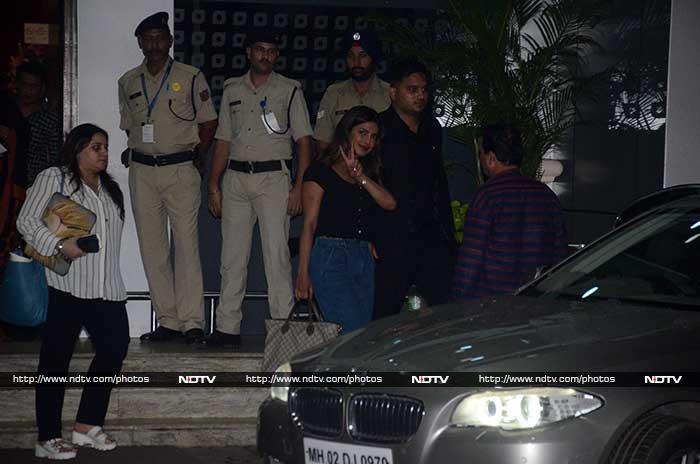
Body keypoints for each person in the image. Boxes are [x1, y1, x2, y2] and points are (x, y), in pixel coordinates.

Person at [17, 123, 130, 460]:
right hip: (65, 287)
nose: (104, 153)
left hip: (107, 290)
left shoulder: (109, 189)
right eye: (96, 146)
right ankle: (47, 437)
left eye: (106, 147)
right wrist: (58, 245)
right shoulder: (56, 177)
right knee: (55, 360)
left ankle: (86, 426)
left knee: (114, 349)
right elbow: (26, 221)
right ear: (78, 148)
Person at [204, 31, 313, 347]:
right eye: (260, 50)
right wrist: (213, 183)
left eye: (271, 51)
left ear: (276, 56)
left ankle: (281, 330)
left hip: (273, 179)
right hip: (236, 178)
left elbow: (304, 142)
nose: (266, 55)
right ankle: (227, 328)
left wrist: (299, 186)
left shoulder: (289, 90)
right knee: (231, 258)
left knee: (276, 257)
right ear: (249, 52)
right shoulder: (231, 89)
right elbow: (223, 140)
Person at [118, 12, 218, 344]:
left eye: (160, 37)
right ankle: (168, 321)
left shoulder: (191, 77)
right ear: (139, 43)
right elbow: (131, 128)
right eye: (147, 39)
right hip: (142, 171)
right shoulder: (128, 81)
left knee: (187, 247)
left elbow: (208, 123)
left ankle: (192, 322)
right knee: (152, 248)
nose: (154, 45)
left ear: (170, 41)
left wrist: (198, 156)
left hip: (180, 169)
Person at [295, 106, 396, 333]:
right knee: (353, 331)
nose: (367, 140)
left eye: (373, 136)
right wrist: (302, 273)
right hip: (331, 257)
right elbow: (309, 225)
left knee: (360, 335)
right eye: (362, 132)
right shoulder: (320, 170)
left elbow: (390, 203)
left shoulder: (368, 171)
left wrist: (360, 177)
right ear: (347, 132)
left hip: (362, 258)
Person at [373, 59, 456, 320]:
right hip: (392, 236)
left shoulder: (432, 128)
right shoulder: (379, 129)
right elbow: (368, 183)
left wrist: (449, 237)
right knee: (383, 312)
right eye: (412, 89)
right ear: (394, 92)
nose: (420, 95)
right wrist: (369, 236)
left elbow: (438, 184)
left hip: (429, 235)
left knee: (442, 310)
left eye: (424, 89)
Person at [452, 124, 569, 300]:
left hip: (491, 305)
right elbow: (560, 254)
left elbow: (471, 260)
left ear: (491, 158)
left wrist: (457, 300)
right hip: (534, 301)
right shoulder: (546, 195)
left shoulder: (487, 196)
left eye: (481, 154)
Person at [313, 29, 390, 154]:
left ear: (374, 58)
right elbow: (323, 143)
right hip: (341, 168)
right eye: (350, 56)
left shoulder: (390, 94)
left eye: (362, 55)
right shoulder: (334, 93)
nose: (356, 62)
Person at [14, 61, 62, 186]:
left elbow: (54, 158)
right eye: (25, 85)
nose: (29, 90)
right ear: (17, 85)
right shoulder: (6, 114)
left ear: (42, 88)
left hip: (33, 184)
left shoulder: (50, 120)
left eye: (34, 86)